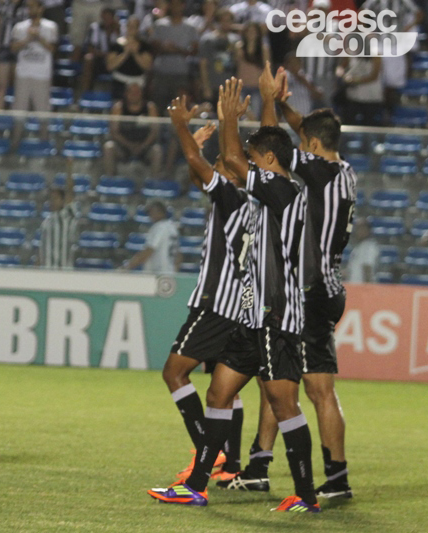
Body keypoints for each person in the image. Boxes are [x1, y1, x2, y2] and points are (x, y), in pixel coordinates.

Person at [149, 79, 319, 512]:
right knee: (219, 394)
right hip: (250, 316)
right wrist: (257, 110)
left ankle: (306, 495)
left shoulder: (287, 192)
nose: (247, 160)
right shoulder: (258, 200)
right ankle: (198, 485)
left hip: (276, 314)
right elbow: (217, 166)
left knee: (283, 404)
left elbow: (230, 159)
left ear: (267, 161)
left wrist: (228, 120)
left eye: (255, 155)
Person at [228, 75, 356, 499]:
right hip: (331, 285)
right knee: (294, 381)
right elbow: (299, 133)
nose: (301, 148)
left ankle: (278, 469)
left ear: (314, 148)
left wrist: (268, 102)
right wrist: (285, 106)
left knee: (296, 383)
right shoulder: (344, 171)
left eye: (307, 144)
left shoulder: (315, 172)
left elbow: (274, 154)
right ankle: (311, 472)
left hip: (307, 288)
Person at [158, 100, 250, 485]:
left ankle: (205, 453)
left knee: (175, 373)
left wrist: (181, 128)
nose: (218, 169)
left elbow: (199, 167)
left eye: (224, 166)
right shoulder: (254, 201)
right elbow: (202, 176)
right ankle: (230, 464)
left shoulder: (230, 195)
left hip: (216, 302)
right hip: (241, 307)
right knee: (226, 390)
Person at [10, 0, 58, 140]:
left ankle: (44, 142)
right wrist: (28, 38)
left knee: (43, 112)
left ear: (41, 8)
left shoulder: (51, 26)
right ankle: (15, 142)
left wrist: (39, 38)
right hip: (23, 74)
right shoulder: (20, 27)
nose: (30, 9)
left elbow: (53, 49)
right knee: (19, 111)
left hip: (42, 75)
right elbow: (13, 48)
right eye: (28, 7)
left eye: (33, 6)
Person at [102, 83, 162, 178]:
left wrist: (142, 146)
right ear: (126, 93)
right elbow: (114, 132)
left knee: (157, 150)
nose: (134, 94)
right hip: (123, 147)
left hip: (145, 147)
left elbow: (154, 132)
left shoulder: (150, 107)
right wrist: (129, 145)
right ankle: (110, 181)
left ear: (142, 93)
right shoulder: (118, 108)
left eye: (137, 92)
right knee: (109, 147)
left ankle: (154, 185)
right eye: (132, 92)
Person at [149, 0, 199, 112]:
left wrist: (176, 49)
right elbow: (153, 47)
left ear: (183, 5)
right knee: (158, 106)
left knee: (180, 108)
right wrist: (165, 48)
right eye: (173, 4)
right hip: (161, 72)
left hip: (181, 73)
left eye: (178, 4)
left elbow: (194, 50)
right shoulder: (160, 25)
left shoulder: (190, 26)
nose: (176, 7)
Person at [38, 161, 78, 269]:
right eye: (51, 198)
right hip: (47, 271)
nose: (52, 201)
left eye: (55, 198)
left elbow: (70, 191)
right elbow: (41, 248)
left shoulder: (67, 216)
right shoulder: (46, 222)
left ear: (63, 200)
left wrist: (69, 169)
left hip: (64, 272)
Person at [122, 200, 179, 273]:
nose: (150, 215)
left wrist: (128, 266)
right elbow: (178, 254)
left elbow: (149, 250)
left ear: (161, 212)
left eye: (152, 212)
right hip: (170, 272)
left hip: (157, 272)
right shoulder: (172, 228)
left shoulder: (159, 227)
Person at [197, 8, 238, 105]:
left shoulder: (235, 40)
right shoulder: (207, 39)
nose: (226, 23)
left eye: (228, 21)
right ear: (218, 21)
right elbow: (203, 64)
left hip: (229, 85)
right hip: (212, 84)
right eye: (223, 20)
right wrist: (206, 86)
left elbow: (237, 64)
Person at [106, 16, 153, 100]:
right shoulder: (116, 45)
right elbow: (110, 66)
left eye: (134, 26)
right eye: (129, 26)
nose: (131, 29)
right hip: (119, 83)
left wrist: (135, 53)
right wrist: (125, 53)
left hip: (138, 84)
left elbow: (147, 66)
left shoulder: (145, 46)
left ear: (138, 28)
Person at [79, 7, 122, 96]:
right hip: (98, 60)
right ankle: (84, 94)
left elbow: (123, 48)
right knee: (88, 59)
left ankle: (119, 96)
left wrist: (117, 31)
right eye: (104, 17)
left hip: (115, 60)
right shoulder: (94, 28)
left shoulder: (120, 29)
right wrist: (105, 55)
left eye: (109, 17)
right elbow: (90, 48)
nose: (106, 20)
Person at [0, 0, 28, 110]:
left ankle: (16, 113)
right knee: (1, 86)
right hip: (4, 47)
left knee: (18, 86)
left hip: (21, 49)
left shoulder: (27, 6)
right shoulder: (3, 4)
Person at [234, 22, 268, 120]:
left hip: (257, 87)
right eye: (249, 31)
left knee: (254, 116)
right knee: (240, 115)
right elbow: (236, 65)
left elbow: (266, 68)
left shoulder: (263, 49)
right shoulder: (239, 47)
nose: (251, 33)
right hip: (242, 86)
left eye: (253, 31)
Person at [345, 218, 379, 283]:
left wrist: (367, 290)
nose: (358, 231)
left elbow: (367, 269)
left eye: (361, 229)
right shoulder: (358, 247)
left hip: (363, 289)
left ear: (368, 230)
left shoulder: (369, 247)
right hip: (355, 288)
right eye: (357, 228)